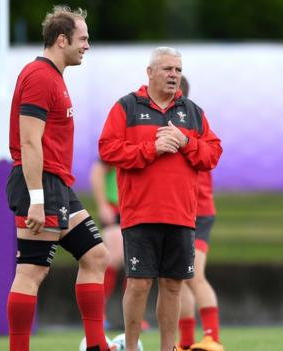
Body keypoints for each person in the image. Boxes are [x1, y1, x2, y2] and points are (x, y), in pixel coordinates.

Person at [98, 47, 222, 351]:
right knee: (138, 284)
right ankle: (130, 345)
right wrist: (151, 148)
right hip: (140, 213)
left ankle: (169, 349)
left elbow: (213, 154)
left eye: (178, 70)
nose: (173, 75)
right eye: (167, 69)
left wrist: (186, 142)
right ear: (150, 72)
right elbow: (108, 150)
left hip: (182, 215)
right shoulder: (126, 107)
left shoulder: (192, 112)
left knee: (172, 285)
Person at [6, 6, 112, 351]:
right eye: (83, 39)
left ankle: (97, 346)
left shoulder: (54, 76)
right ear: (62, 39)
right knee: (32, 271)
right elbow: (28, 140)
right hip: (41, 185)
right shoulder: (39, 76)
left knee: (96, 256)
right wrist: (37, 199)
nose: (87, 46)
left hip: (58, 186)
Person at [176, 77, 224, 351]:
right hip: (177, 209)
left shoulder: (191, 119)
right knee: (177, 276)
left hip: (198, 210)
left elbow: (209, 155)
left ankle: (212, 337)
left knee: (194, 275)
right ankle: (184, 342)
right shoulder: (167, 119)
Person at [89, 159, 150, 331]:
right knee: (114, 259)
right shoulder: (118, 142)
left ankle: (134, 317)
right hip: (115, 208)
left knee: (137, 262)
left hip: (138, 209)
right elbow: (97, 172)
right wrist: (102, 205)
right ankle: (98, 315)